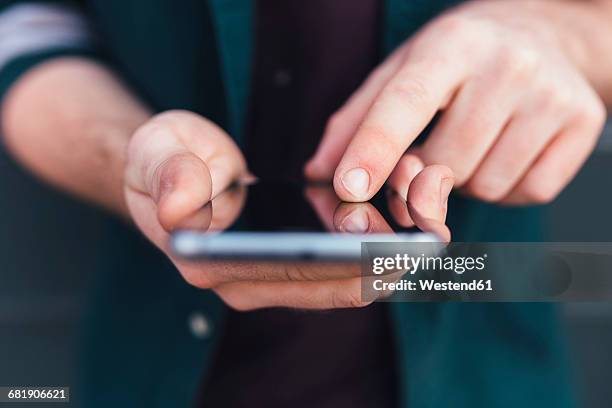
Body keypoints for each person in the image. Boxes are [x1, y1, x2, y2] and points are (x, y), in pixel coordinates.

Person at [0, 0, 610, 406]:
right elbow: (26, 26)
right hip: (154, 371)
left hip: (484, 364)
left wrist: (565, 36)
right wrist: (133, 159)